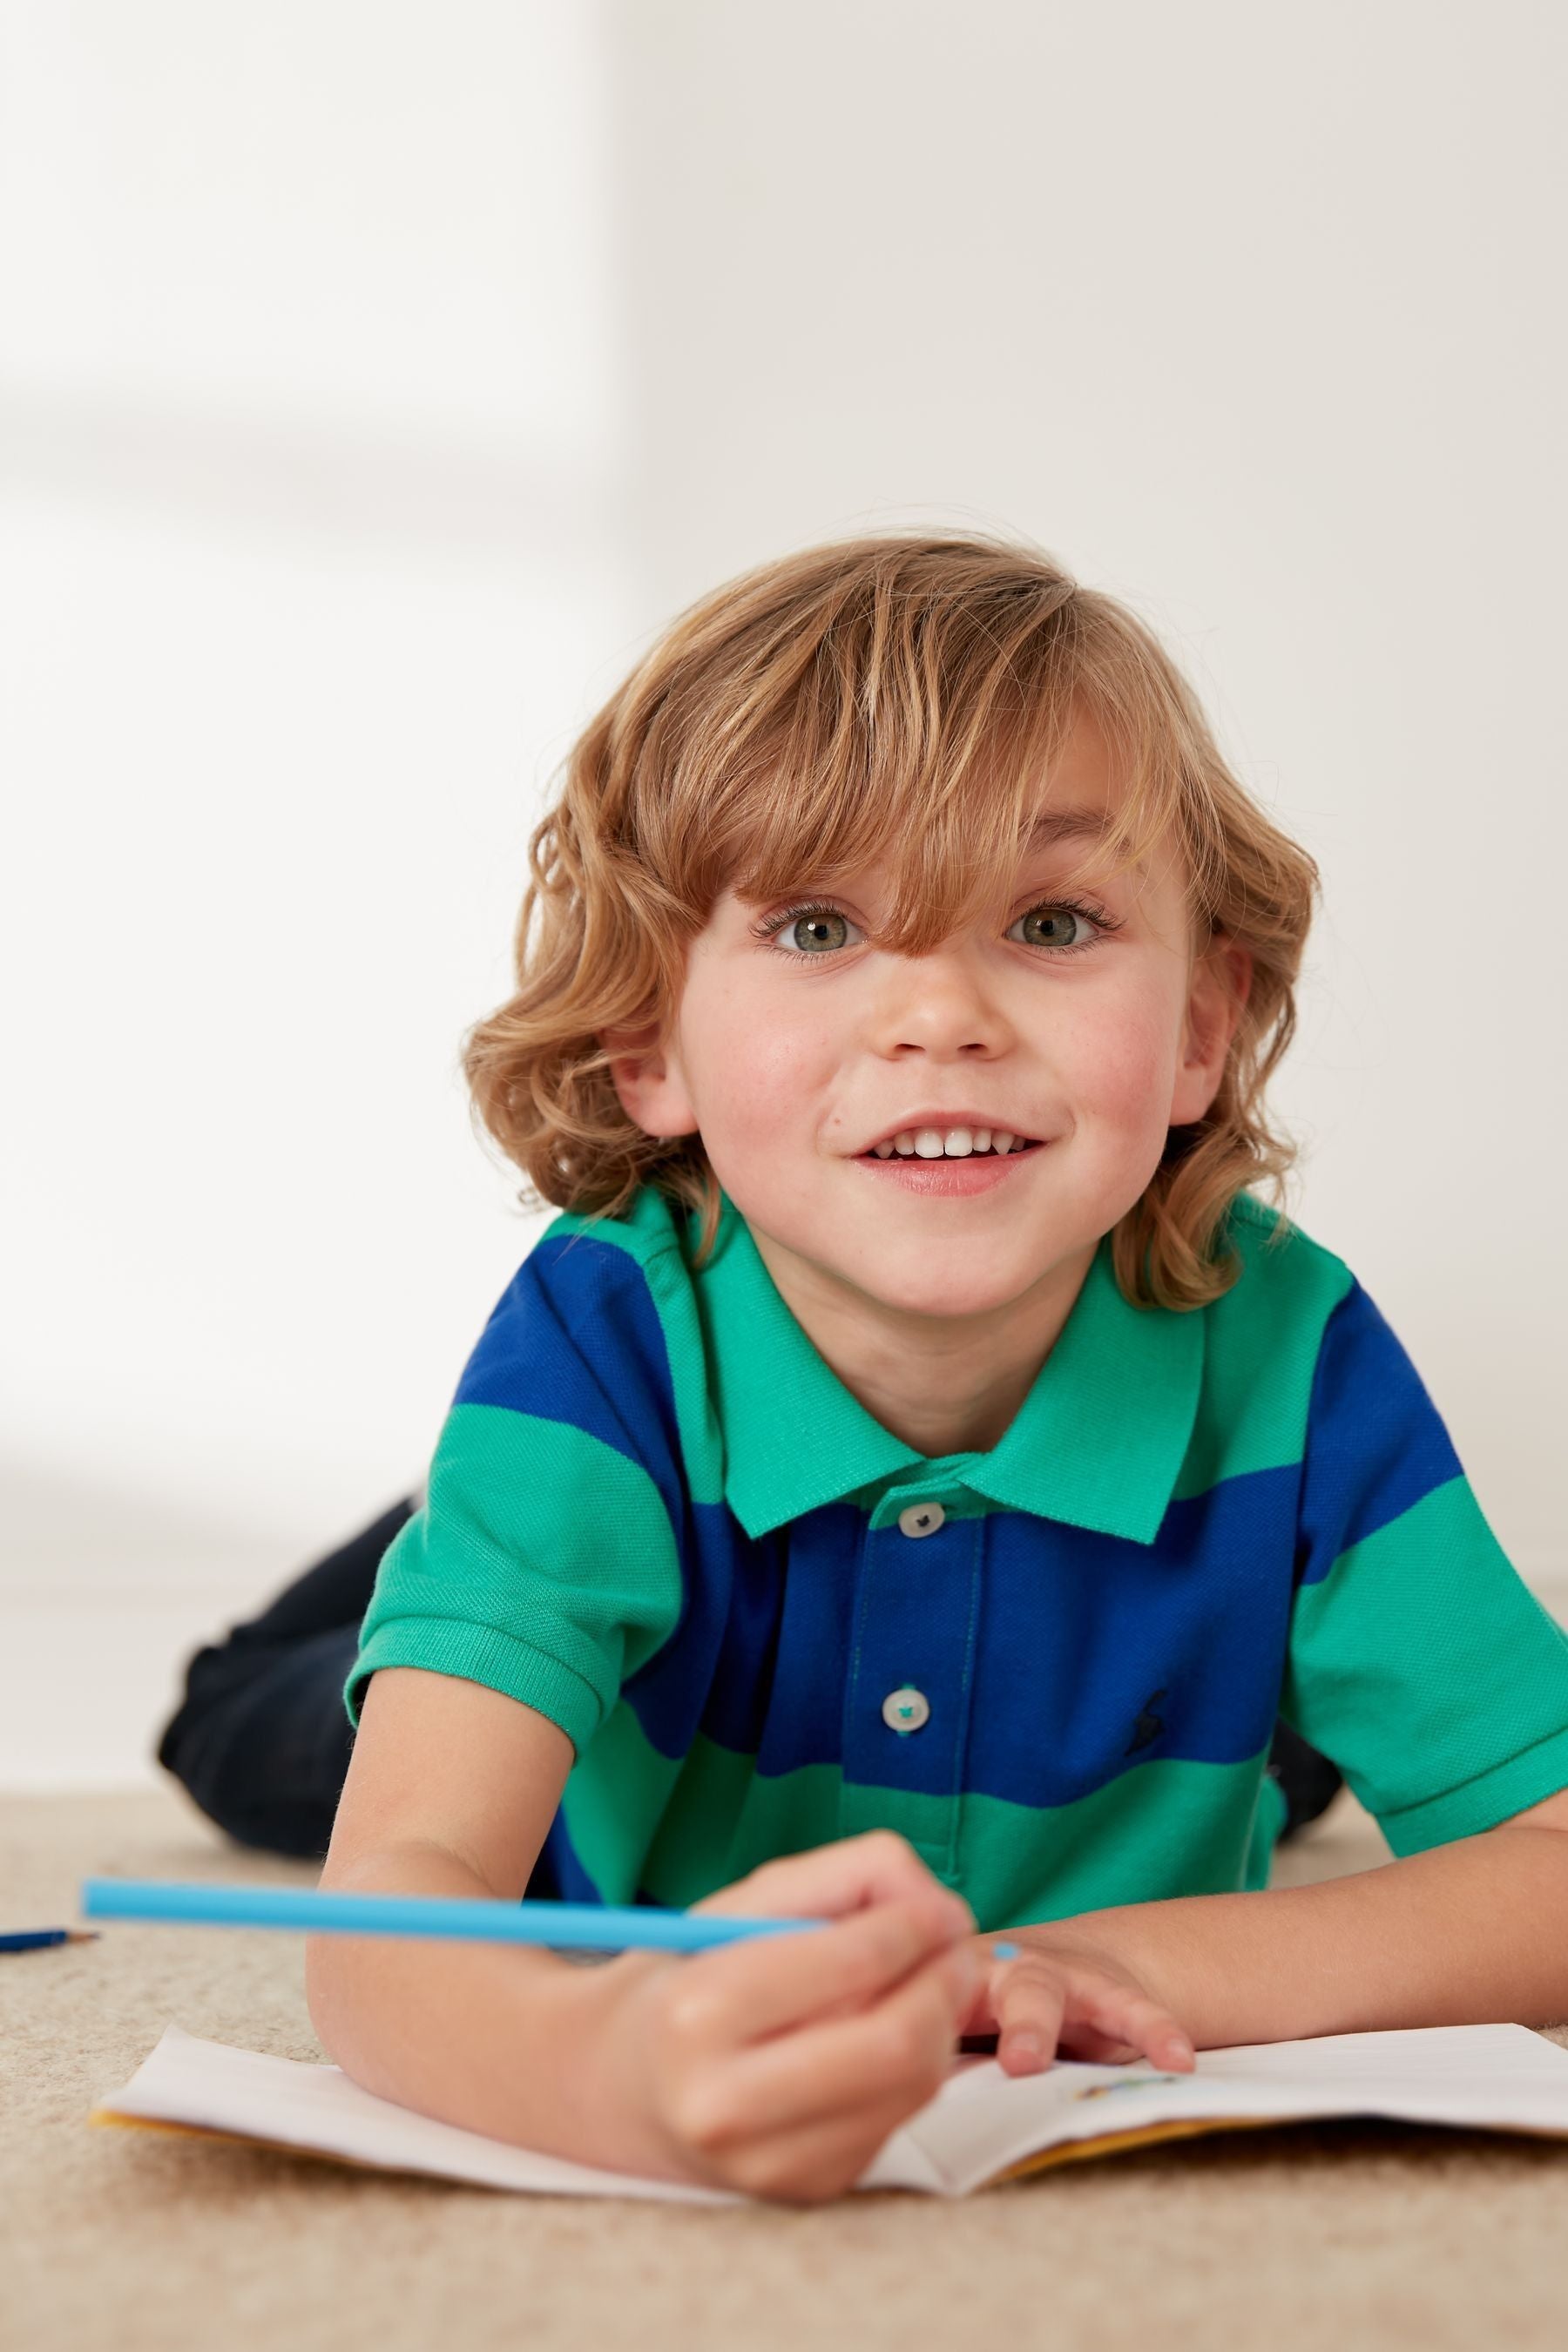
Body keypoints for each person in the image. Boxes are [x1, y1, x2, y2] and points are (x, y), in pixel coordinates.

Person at [156, 534, 1568, 2203]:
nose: (941, 1015)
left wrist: (1129, 1962)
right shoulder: (599, 1334)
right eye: (820, 924)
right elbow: (390, 1907)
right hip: (644, 1544)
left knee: (1291, 1729)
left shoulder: (1293, 1347)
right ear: (645, 1046)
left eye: (1051, 919)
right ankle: (492, 1562)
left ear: (1200, 1023)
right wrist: (612, 2073)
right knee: (256, 1727)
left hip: (1070, 1593)